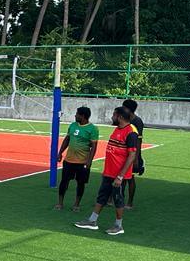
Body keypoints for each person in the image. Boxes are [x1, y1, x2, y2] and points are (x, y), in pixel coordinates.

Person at [75, 106, 140, 235]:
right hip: (109, 172)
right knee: (102, 196)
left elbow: (132, 155)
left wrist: (120, 176)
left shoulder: (131, 132)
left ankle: (118, 225)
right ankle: (92, 221)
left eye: (114, 115)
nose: (112, 117)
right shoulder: (117, 129)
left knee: (118, 199)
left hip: (118, 175)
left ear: (120, 117)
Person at [55, 106, 99, 211]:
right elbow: (67, 139)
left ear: (82, 116)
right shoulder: (73, 126)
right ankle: (60, 203)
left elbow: (94, 147)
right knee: (64, 182)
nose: (75, 115)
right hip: (69, 160)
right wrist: (60, 152)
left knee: (80, 183)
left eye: (77, 114)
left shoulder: (92, 129)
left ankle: (76, 204)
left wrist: (89, 161)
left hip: (82, 161)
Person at [122, 99, 145, 209]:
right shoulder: (123, 119)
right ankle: (114, 199)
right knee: (119, 176)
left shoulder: (137, 122)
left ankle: (130, 202)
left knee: (130, 178)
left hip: (132, 153)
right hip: (122, 153)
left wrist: (136, 158)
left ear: (128, 109)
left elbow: (139, 140)